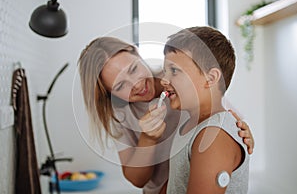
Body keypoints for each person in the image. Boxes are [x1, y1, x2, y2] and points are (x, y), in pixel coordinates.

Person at [77, 36, 254, 194]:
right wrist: (148, 138)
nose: (136, 85)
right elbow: (137, 179)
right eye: (120, 86)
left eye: (133, 69)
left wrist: (242, 133)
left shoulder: (181, 79)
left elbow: (224, 118)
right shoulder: (120, 114)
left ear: (137, 54)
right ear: (110, 95)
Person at [160, 26, 249, 194]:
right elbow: (176, 181)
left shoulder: (213, 138)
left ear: (211, 78)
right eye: (165, 71)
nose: (164, 80)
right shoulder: (189, 125)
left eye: (174, 71)